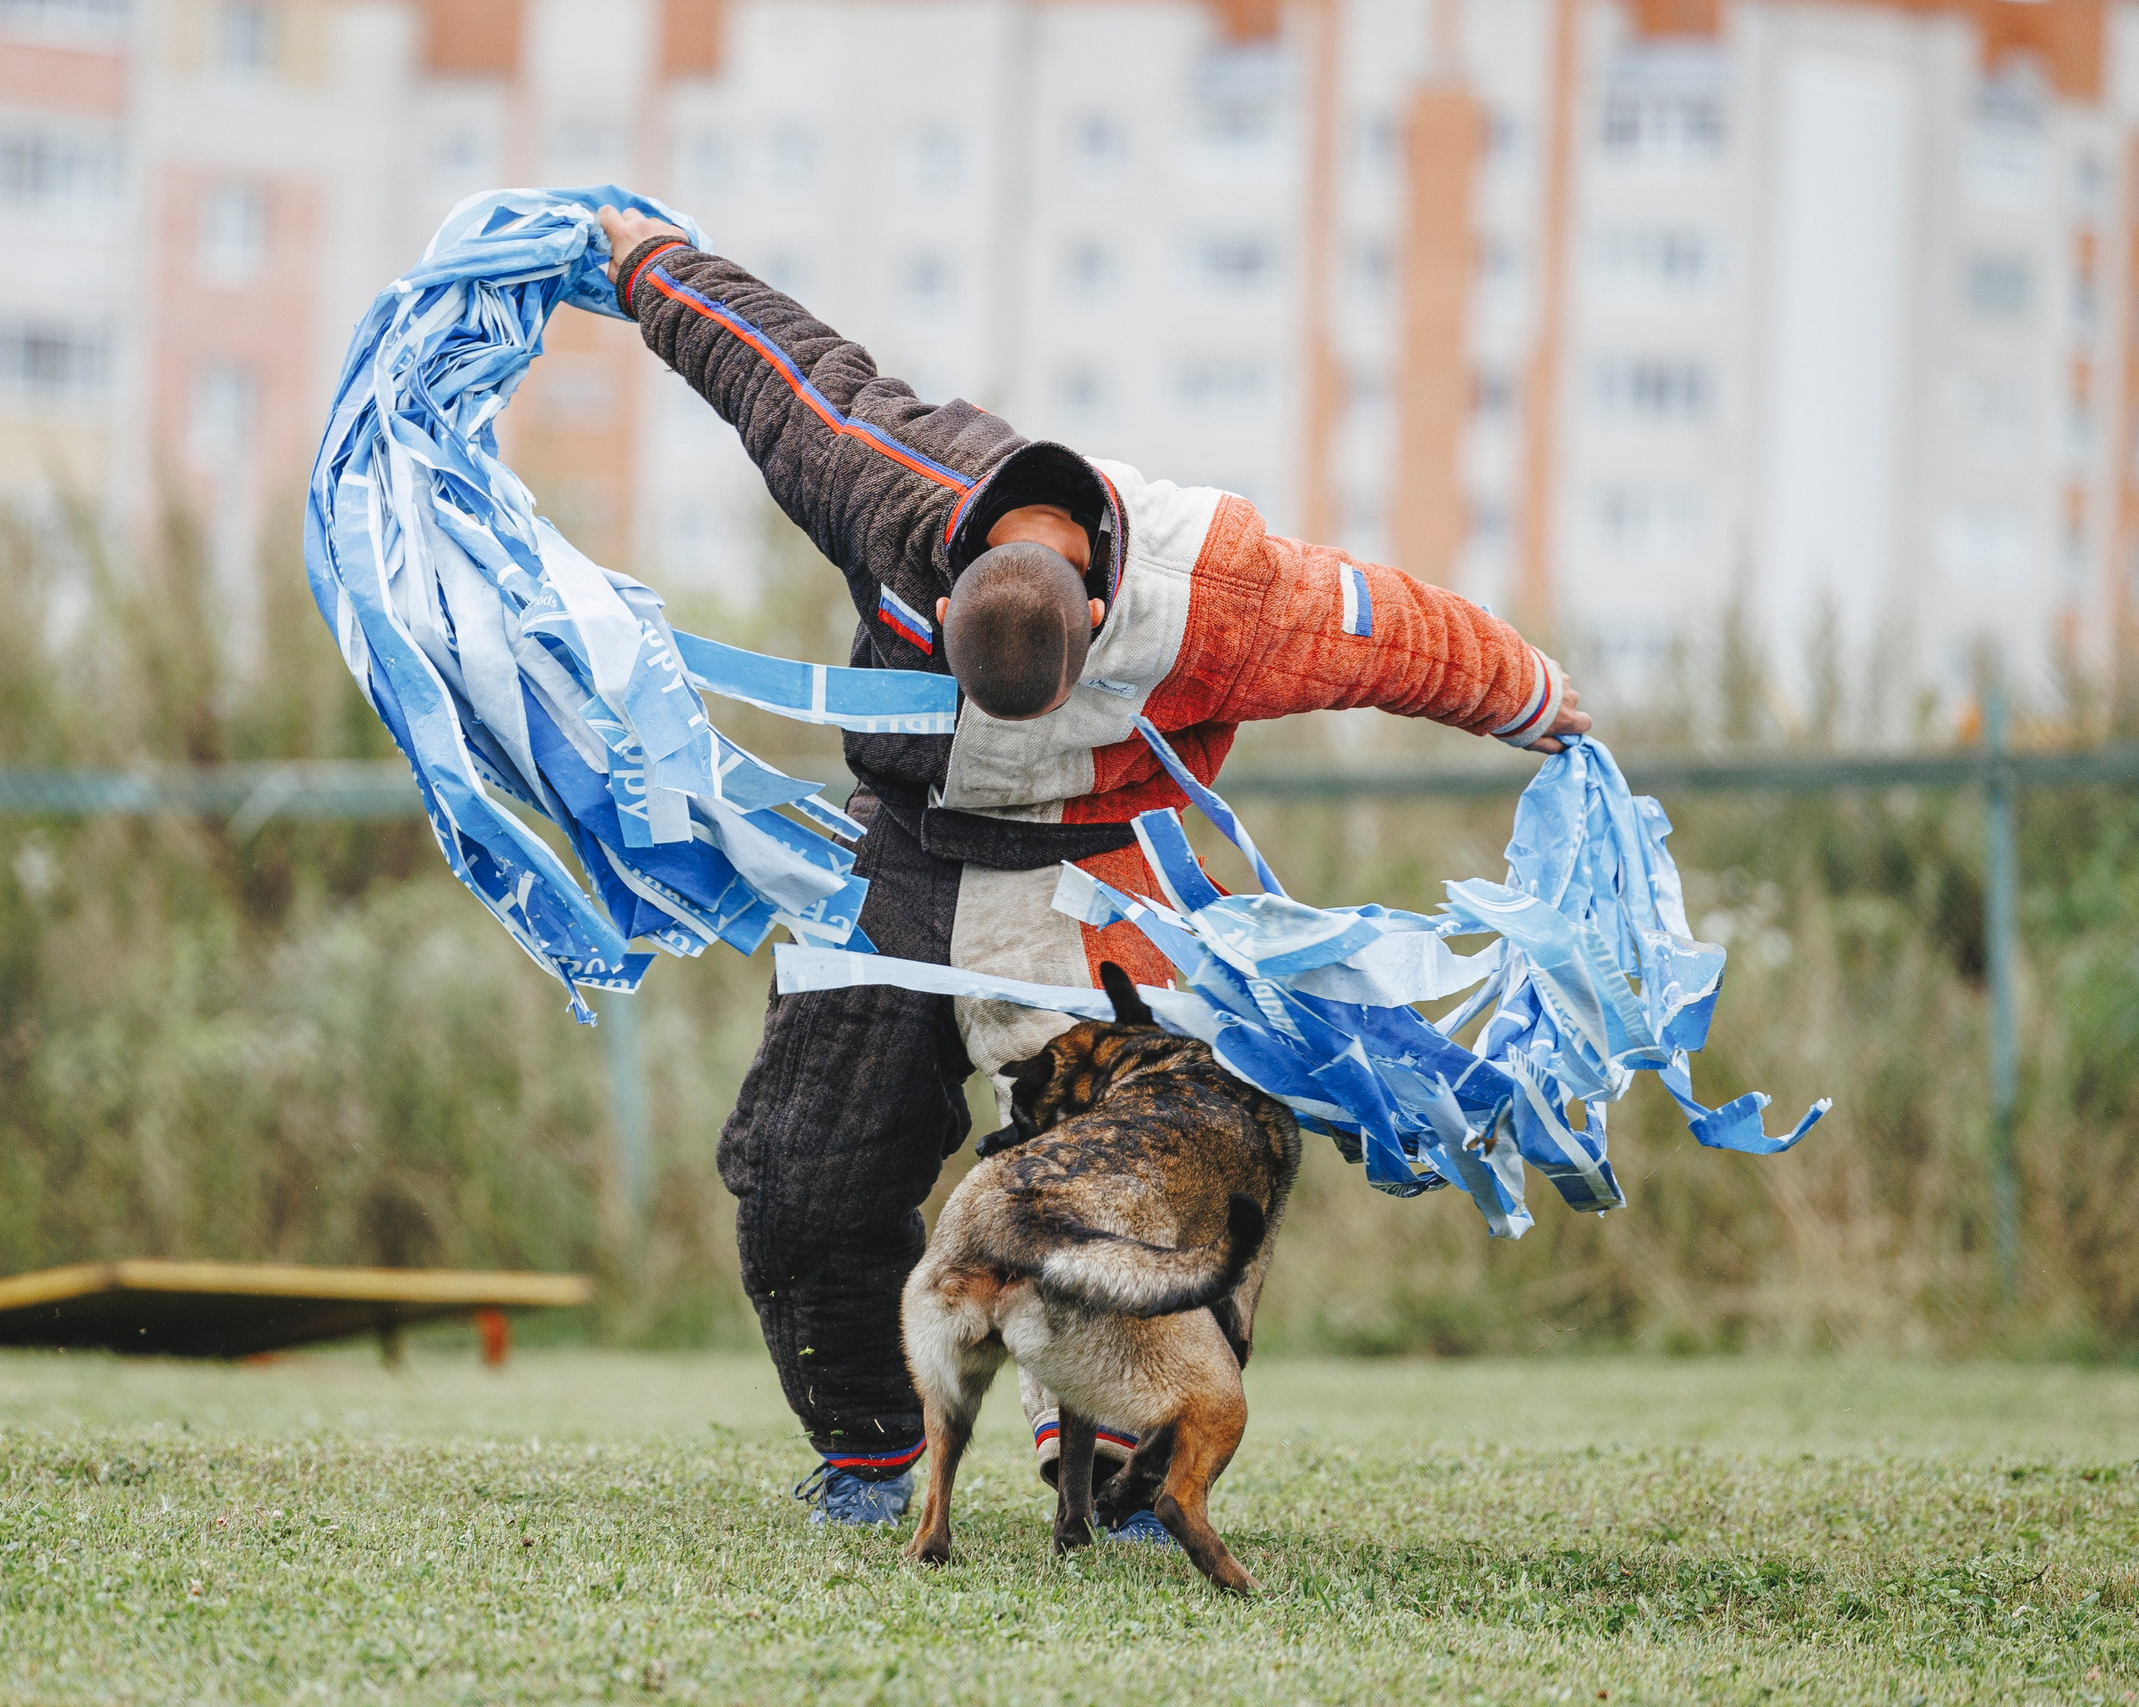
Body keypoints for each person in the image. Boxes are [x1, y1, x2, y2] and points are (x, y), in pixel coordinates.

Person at [594, 206, 1591, 1531]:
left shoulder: (1222, 594)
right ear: (944, 595)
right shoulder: (886, 482)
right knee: (805, 1164)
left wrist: (1533, 699)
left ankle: (1125, 1461)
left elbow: (1392, 634)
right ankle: (873, 1455)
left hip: (1106, 876)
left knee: (1166, 1181)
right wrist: (643, 262)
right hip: (907, 856)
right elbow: (774, 365)